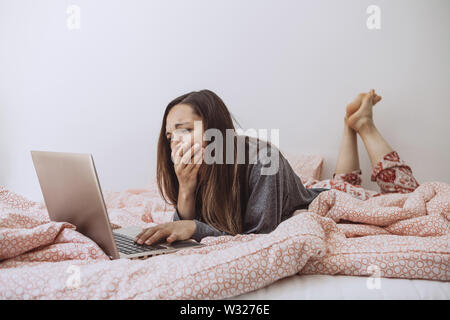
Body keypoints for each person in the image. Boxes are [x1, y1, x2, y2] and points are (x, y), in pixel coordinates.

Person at [134, 89, 420, 245]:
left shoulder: (261, 160)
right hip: (317, 189)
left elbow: (260, 235)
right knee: (344, 182)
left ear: (214, 129)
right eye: (170, 137)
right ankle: (350, 126)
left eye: (184, 130)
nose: (175, 144)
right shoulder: (198, 169)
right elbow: (192, 222)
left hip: (327, 200)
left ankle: (365, 126)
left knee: (406, 197)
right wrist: (186, 188)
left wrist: (193, 228)